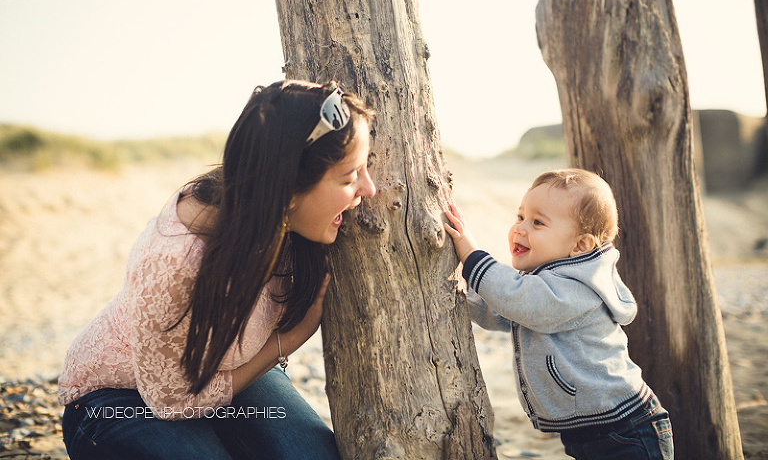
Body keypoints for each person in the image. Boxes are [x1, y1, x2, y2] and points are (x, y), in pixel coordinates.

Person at [58, 80, 376, 460]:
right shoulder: (175, 260)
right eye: (349, 177)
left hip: (228, 376)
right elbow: (170, 402)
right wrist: (285, 343)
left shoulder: (293, 223)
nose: (368, 189)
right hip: (118, 398)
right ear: (287, 191)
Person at [443, 168, 673, 460]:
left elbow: (515, 299)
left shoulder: (578, 289)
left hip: (626, 430)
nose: (521, 228)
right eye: (520, 217)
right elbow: (502, 311)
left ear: (580, 245)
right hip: (592, 432)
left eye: (538, 222)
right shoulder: (544, 288)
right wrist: (456, 292)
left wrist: (471, 254)